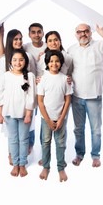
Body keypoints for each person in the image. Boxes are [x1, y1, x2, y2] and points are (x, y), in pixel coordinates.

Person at [67, 23, 103, 167]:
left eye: (86, 31)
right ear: (75, 34)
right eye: (79, 32)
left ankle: (95, 156)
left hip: (94, 97)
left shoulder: (100, 45)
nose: (83, 34)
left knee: (96, 130)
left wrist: (101, 32)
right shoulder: (71, 49)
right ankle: (79, 154)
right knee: (78, 129)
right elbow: (67, 69)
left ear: (90, 33)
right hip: (76, 96)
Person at [0, 49, 36, 177]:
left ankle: (22, 164)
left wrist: (28, 114)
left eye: (21, 60)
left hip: (24, 114)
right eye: (15, 60)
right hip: (8, 113)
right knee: (12, 139)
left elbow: (31, 97)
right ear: (11, 61)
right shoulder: (6, 76)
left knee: (23, 139)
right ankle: (15, 164)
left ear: (25, 61)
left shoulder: (30, 76)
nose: (18, 62)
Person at [0, 24, 36, 159]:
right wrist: (0, 35)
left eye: (20, 39)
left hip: (25, 97)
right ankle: (12, 153)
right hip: (10, 101)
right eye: (15, 39)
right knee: (12, 132)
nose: (19, 41)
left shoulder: (28, 56)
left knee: (27, 127)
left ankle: (26, 150)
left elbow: (32, 77)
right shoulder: (5, 60)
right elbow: (0, 86)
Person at [37, 50, 72, 182]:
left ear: (61, 62)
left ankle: (61, 167)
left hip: (61, 118)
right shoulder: (43, 79)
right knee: (46, 142)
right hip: (46, 118)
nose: (54, 63)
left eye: (57, 61)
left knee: (61, 143)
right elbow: (40, 101)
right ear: (47, 62)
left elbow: (67, 100)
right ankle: (46, 167)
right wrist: (48, 120)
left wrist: (61, 119)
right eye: (51, 61)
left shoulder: (64, 79)